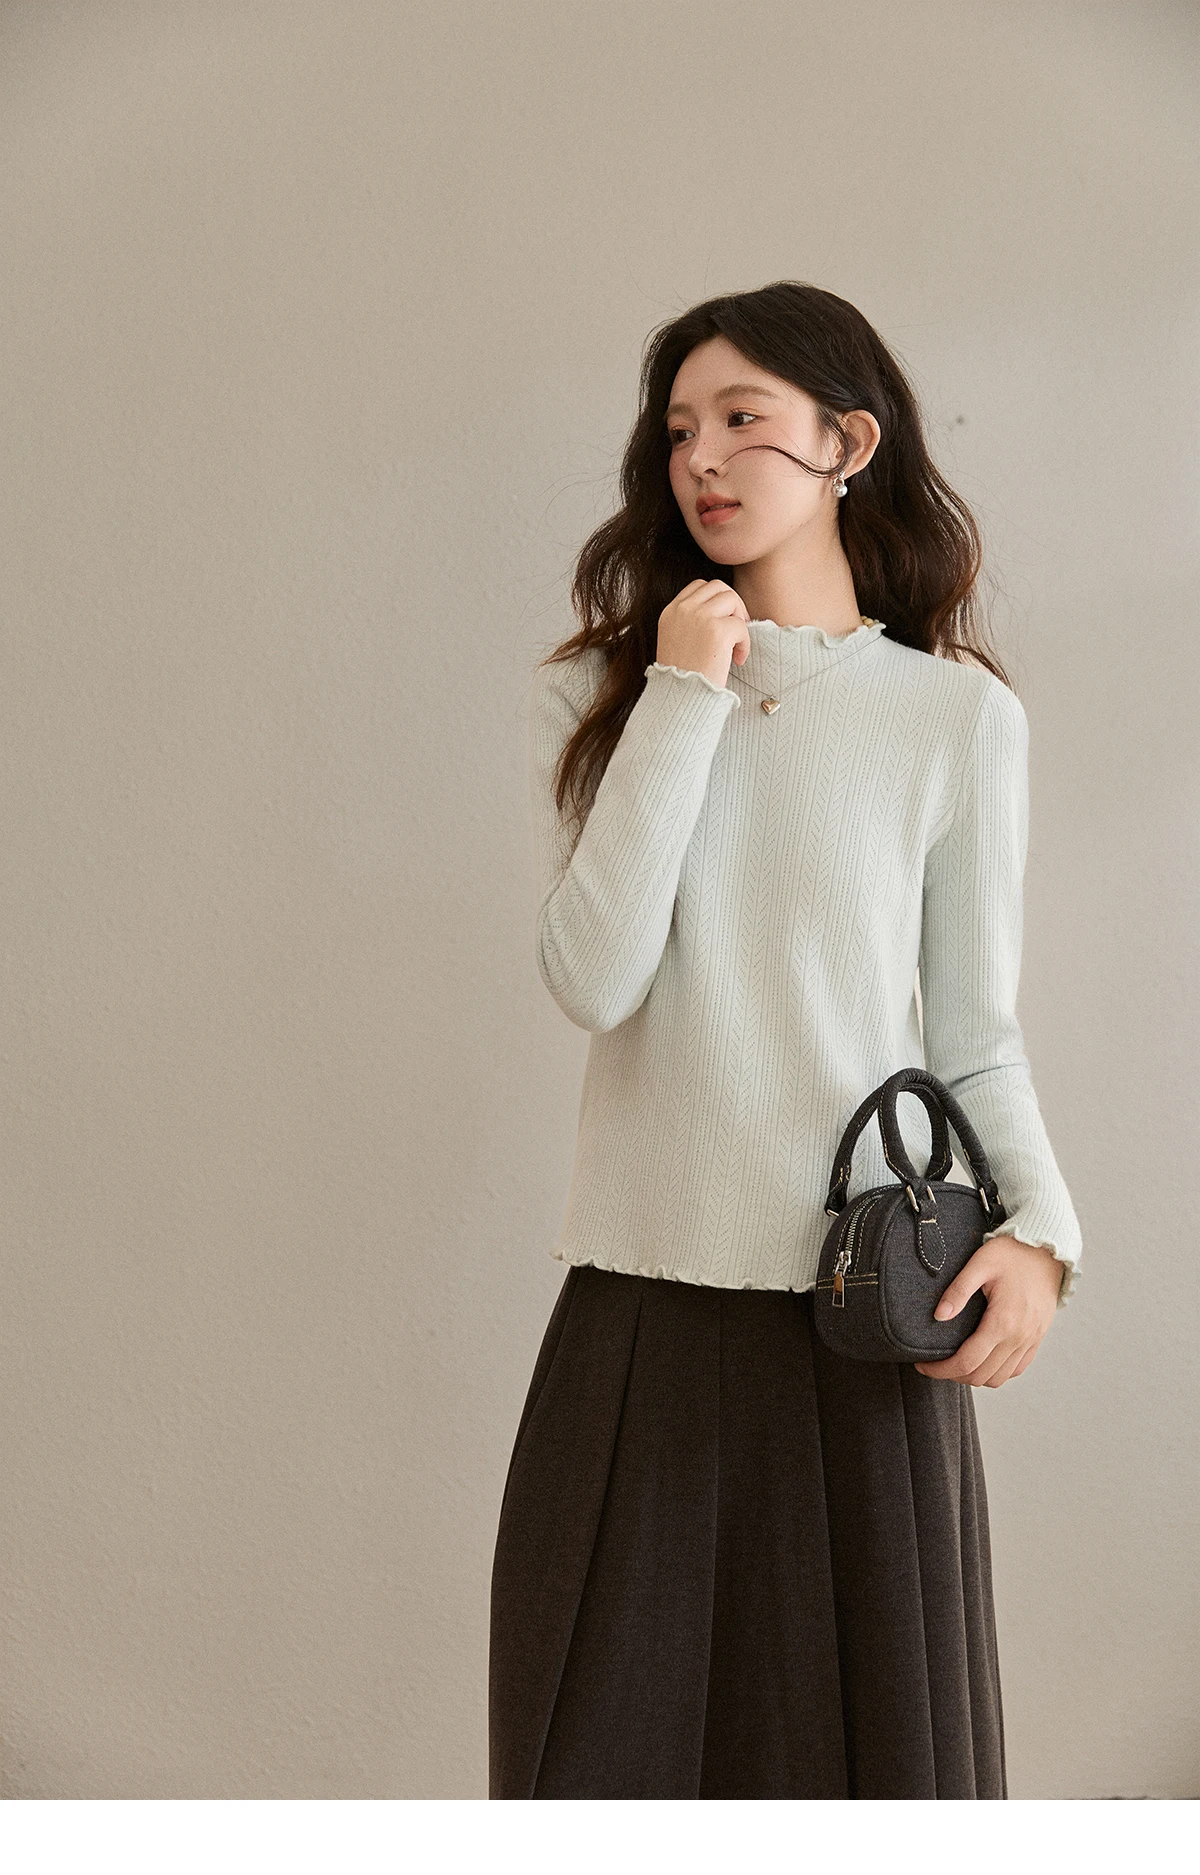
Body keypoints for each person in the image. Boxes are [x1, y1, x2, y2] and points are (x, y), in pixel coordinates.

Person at [488, 280, 1082, 1801]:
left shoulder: (954, 720)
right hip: (640, 1309)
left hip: (860, 1315)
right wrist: (683, 689)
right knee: (598, 1772)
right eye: (681, 429)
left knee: (862, 1785)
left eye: (745, 419)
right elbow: (595, 976)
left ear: (848, 445)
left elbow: (975, 1031)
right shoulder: (610, 692)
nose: (703, 458)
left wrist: (1042, 1234)